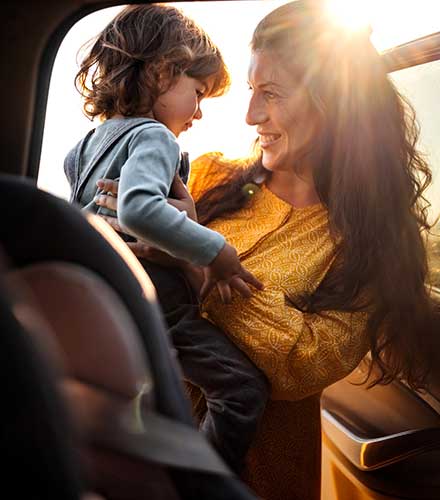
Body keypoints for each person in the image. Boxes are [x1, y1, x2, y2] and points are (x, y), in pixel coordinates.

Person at [94, 1, 438, 499]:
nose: (251, 114)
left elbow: (305, 364)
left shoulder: (370, 247)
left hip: (260, 480)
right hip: (139, 451)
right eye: (253, 90)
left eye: (270, 94)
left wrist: (196, 261)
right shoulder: (208, 175)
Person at [63, 4, 269, 474]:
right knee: (242, 391)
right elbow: (138, 209)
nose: (198, 113)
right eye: (198, 93)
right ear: (161, 73)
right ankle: (200, 485)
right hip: (160, 304)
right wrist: (216, 251)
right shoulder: (156, 137)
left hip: (110, 299)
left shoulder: (85, 146)